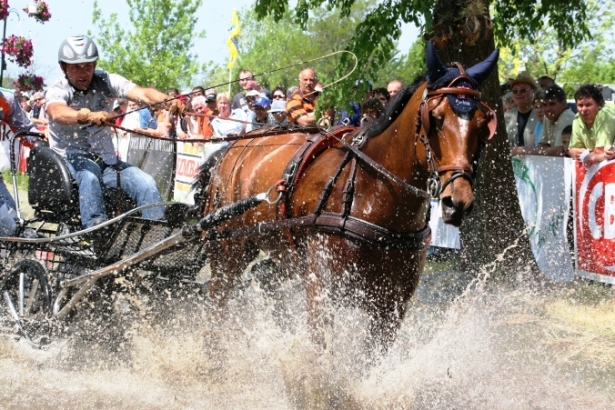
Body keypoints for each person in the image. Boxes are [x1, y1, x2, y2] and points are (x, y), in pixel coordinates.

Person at [45, 35, 184, 229]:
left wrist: (166, 101)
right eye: (76, 67)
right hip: (70, 161)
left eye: (88, 66)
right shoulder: (58, 89)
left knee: (145, 181)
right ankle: (96, 230)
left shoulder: (106, 81)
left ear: (95, 64)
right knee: (90, 175)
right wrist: (86, 115)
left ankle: (156, 233)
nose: (83, 72)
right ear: (63, 68)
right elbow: (56, 111)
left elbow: (142, 93)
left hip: (107, 162)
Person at [0, 90, 40, 236]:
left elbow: (25, 128)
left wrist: (40, 138)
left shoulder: (5, 100)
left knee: (14, 227)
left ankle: (19, 254)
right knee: (10, 228)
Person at [568, 84, 615, 167]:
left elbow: (600, 152)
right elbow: (572, 150)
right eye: (580, 105)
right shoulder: (577, 118)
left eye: (588, 105)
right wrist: (576, 152)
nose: (584, 110)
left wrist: (589, 155)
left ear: (600, 104)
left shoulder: (604, 114)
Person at [505, 72, 539, 149]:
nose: (518, 93)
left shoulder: (540, 115)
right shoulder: (507, 116)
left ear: (533, 91)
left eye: (523, 90)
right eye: (515, 91)